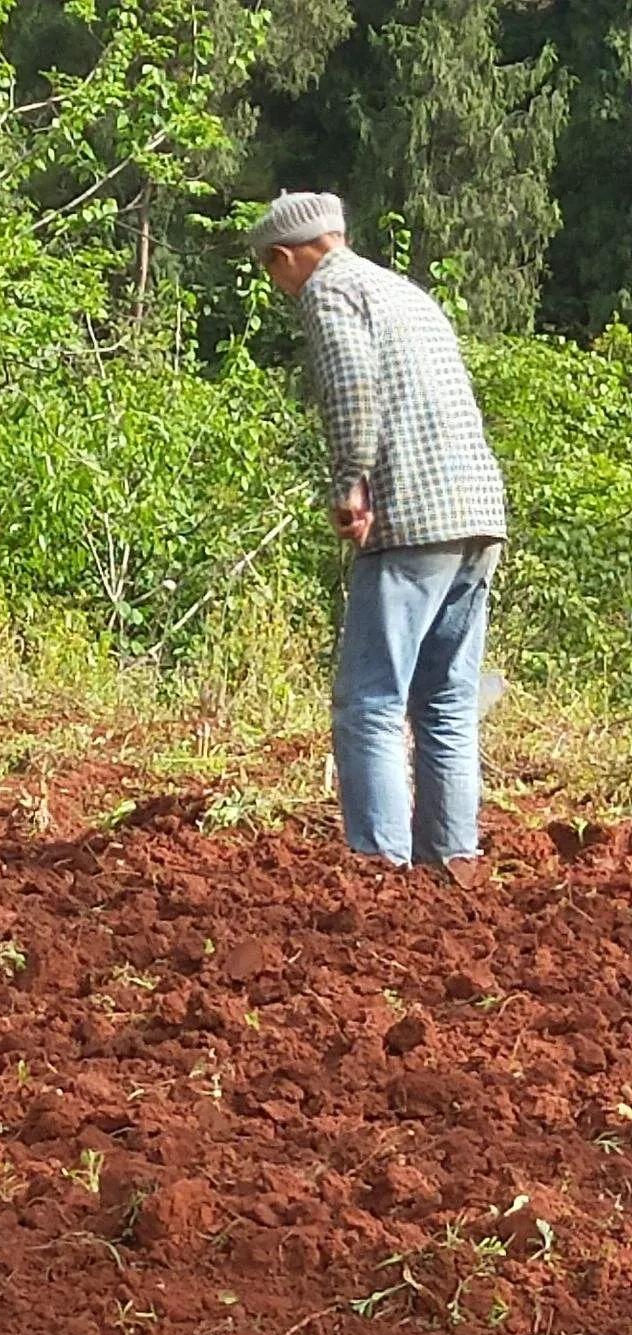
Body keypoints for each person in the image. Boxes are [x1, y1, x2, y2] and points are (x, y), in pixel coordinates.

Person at [246, 191, 507, 876]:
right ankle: (453, 857)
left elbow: (351, 392)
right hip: (478, 513)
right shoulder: (404, 293)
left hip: (413, 516)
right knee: (447, 702)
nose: (279, 284)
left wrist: (350, 483)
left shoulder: (330, 291)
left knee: (370, 699)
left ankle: (379, 869)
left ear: (286, 256)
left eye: (273, 269)